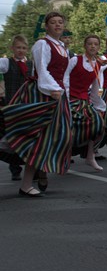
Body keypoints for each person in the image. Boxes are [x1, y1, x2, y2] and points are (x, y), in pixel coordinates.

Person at [1, 12, 72, 196]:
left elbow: (64, 75)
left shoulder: (62, 47)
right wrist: (54, 90)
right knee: (34, 137)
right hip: (42, 94)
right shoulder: (43, 44)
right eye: (53, 22)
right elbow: (42, 70)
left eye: (60, 22)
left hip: (56, 94)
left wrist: (65, 93)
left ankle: (33, 179)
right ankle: (28, 182)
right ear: (46, 26)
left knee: (46, 139)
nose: (57, 25)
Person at [64, 34, 106, 172]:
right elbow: (65, 78)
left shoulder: (97, 66)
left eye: (95, 44)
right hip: (70, 99)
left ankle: (90, 156)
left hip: (84, 101)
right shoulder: (75, 60)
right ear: (85, 46)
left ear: (99, 47)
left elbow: (97, 87)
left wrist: (99, 105)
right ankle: (65, 156)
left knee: (98, 124)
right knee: (70, 128)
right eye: (90, 44)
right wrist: (66, 99)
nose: (93, 46)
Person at [0, 35, 34, 180]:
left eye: (24, 48)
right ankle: (14, 167)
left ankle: (31, 166)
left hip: (28, 105)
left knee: (27, 137)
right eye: (18, 47)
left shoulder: (32, 65)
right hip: (11, 106)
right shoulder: (6, 63)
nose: (21, 50)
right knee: (12, 137)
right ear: (12, 48)